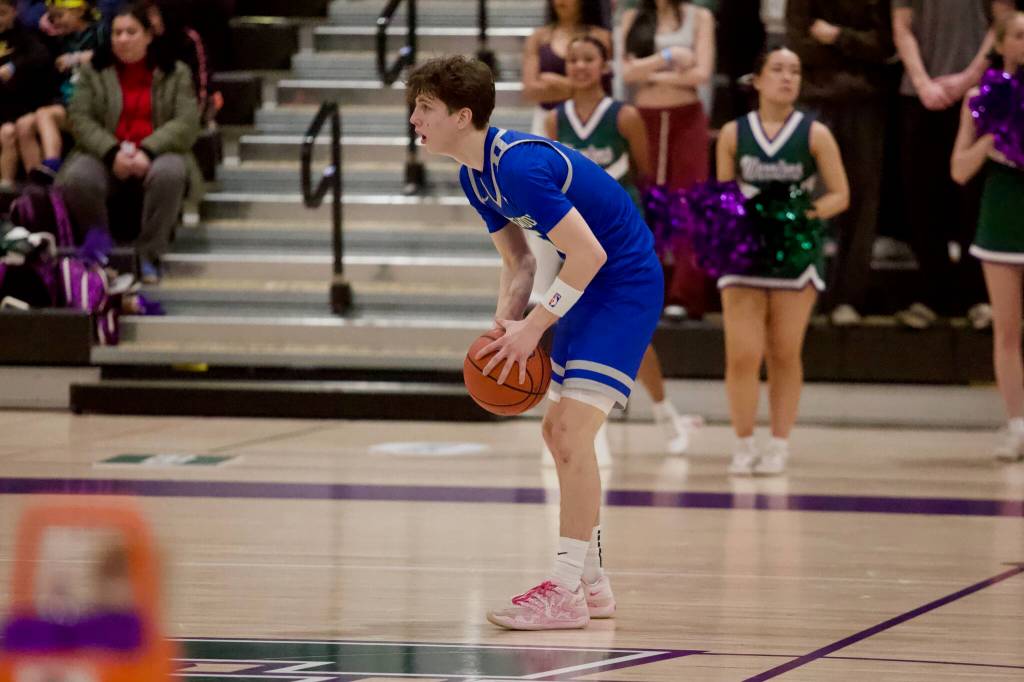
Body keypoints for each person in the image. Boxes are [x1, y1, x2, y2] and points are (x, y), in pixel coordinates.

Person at [407, 55, 663, 630]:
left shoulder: (518, 167)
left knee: (569, 431)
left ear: (462, 114)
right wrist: (505, 323)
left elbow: (592, 253)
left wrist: (536, 325)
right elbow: (519, 262)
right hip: (587, 282)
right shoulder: (473, 175)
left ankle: (566, 590)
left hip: (622, 282)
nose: (414, 118)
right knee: (558, 432)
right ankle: (592, 584)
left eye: (425, 107)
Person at [544, 34, 700, 453]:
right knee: (576, 328)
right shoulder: (555, 120)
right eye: (573, 59)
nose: (579, 66)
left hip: (620, 238)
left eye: (588, 59)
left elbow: (645, 176)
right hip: (574, 238)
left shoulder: (625, 115)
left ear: (604, 66)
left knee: (632, 334)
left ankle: (663, 410)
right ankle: (590, 432)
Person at [715, 46, 849, 475]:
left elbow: (840, 195)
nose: (787, 77)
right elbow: (723, 195)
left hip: (795, 252)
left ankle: (778, 443)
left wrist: (797, 217)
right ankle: (742, 443)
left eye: (795, 70)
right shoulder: (734, 134)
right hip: (745, 251)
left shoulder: (815, 134)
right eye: (777, 69)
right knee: (742, 355)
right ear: (757, 80)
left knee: (784, 352)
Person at [57, 2, 201, 282]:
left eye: (131, 32)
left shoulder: (176, 71)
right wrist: (111, 153)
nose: (122, 39)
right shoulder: (92, 71)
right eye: (117, 33)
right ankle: (102, 255)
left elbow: (186, 122)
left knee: (170, 172)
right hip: (104, 152)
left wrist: (148, 150)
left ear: (148, 35)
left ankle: (150, 254)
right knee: (77, 177)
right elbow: (80, 119)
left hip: (158, 152)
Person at [892, 0, 1011, 329]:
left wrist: (968, 78)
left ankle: (977, 296)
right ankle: (933, 295)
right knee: (921, 198)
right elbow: (901, 27)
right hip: (919, 95)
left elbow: (1001, 23)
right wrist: (922, 84)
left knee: (972, 197)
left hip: (976, 90)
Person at [786, 0, 892, 326]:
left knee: (861, 202)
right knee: (808, 199)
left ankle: (848, 297)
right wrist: (855, 49)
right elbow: (799, 47)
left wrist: (837, 37)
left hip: (864, 103)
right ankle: (805, 289)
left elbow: (883, 46)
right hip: (815, 101)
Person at [951, 11, 1024, 462]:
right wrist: (992, 138)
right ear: (1001, 44)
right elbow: (958, 170)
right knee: (1007, 331)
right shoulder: (981, 98)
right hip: (1000, 220)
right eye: (1018, 35)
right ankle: (1017, 426)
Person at [621, 0, 715, 320]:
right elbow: (627, 72)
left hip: (687, 119)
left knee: (688, 203)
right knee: (648, 200)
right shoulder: (633, 17)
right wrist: (670, 58)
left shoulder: (700, 17)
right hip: (644, 118)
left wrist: (651, 73)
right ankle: (645, 289)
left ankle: (684, 294)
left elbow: (701, 74)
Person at [16, 0, 107, 182]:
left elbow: (108, 55)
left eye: (60, 16)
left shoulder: (99, 32)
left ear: (80, 12)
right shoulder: (63, 39)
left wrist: (76, 58)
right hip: (66, 100)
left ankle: (52, 166)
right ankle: (36, 189)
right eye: (52, 17)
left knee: (45, 114)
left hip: (91, 104)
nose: (55, 22)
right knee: (24, 125)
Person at [0, 0, 52, 190]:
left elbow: (41, 56)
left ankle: (32, 194)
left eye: (2, 13)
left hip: (21, 105)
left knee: (14, 131)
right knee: (6, 132)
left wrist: (14, 66)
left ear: (14, 11)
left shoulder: (25, 35)